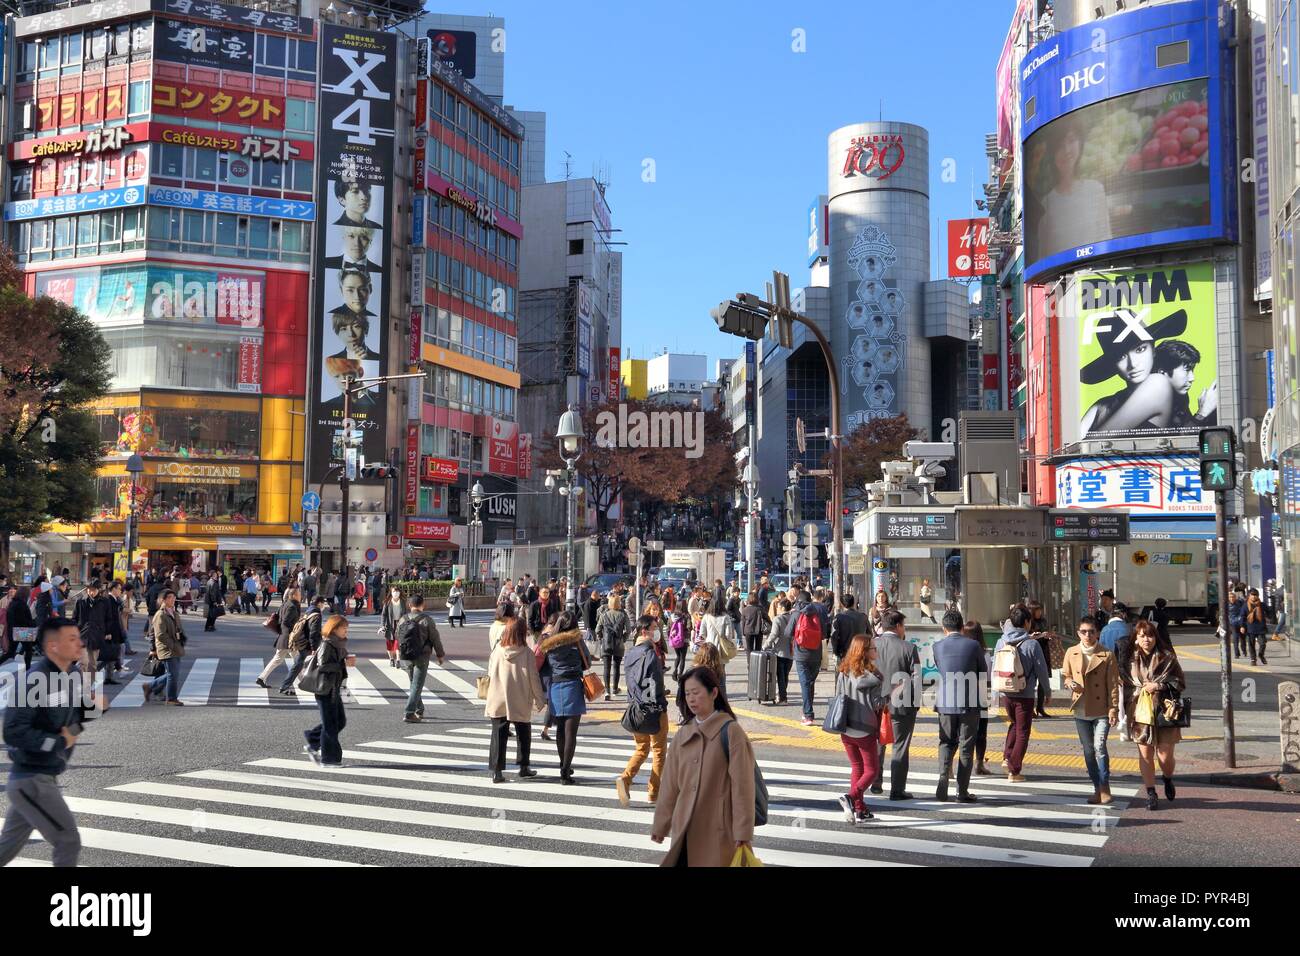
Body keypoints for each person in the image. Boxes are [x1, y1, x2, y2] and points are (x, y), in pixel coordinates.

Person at [0, 617, 90, 868]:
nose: (79, 644)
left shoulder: (67, 674)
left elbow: (72, 717)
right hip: (32, 779)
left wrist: (95, 708)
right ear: (53, 646)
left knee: (6, 848)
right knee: (68, 841)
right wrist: (58, 742)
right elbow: (13, 731)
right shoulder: (34, 680)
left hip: (38, 778)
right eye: (72, 639)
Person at [650, 666, 755, 867]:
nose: (691, 699)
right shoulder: (683, 734)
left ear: (714, 692)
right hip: (685, 829)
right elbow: (670, 785)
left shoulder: (732, 732)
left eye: (696, 692)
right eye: (687, 694)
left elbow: (743, 787)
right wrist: (661, 824)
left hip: (720, 831)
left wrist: (742, 831)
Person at [1127, 619, 1186, 811]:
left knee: (1165, 755)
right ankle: (1151, 793)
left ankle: (1167, 778)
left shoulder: (1167, 657)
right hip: (1140, 710)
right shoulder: (1129, 659)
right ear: (1136, 638)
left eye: (1150, 635)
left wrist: (1158, 685)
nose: (1146, 639)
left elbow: (1180, 683)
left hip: (1165, 711)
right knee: (1145, 754)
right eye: (1142, 636)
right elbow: (1124, 684)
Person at [1062, 616, 1119, 805]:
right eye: (1084, 631)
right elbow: (1066, 674)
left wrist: (1114, 709)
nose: (1088, 635)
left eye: (1091, 631)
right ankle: (1097, 788)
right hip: (1080, 709)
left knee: (1099, 747)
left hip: (1101, 709)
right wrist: (1070, 682)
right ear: (1078, 633)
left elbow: (1112, 685)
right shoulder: (1071, 652)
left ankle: (1105, 787)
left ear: (1098, 633)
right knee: (1087, 751)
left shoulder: (1107, 654)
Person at [931, 608, 985, 803]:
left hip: (945, 702)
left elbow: (940, 667)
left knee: (945, 741)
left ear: (944, 628)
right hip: (969, 701)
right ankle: (962, 791)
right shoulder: (974, 645)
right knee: (966, 745)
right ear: (962, 627)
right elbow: (982, 671)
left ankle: (944, 775)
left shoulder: (937, 646)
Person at [616, 616, 670, 806]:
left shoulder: (630, 653)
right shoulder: (650, 654)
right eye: (655, 628)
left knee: (641, 749)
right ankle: (653, 792)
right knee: (658, 751)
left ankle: (625, 778)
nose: (657, 632)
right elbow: (653, 685)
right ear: (645, 631)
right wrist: (661, 702)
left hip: (635, 708)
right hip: (653, 709)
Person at [994, 605, 1052, 782]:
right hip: (1025, 694)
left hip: (1006, 692)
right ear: (1026, 622)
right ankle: (1014, 770)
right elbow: (1041, 670)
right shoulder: (1031, 644)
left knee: (1013, 724)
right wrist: (1047, 691)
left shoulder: (1000, 641)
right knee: (1023, 731)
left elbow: (995, 665)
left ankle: (1007, 758)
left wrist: (997, 692)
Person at [484, 614, 544, 782]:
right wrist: (540, 699)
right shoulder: (527, 653)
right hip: (520, 697)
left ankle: (497, 771)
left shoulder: (497, 651)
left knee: (498, 734)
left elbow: (490, 672)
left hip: (498, 697)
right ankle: (524, 767)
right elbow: (534, 678)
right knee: (523, 732)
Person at [834, 633, 885, 824]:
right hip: (865, 728)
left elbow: (839, 696)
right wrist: (893, 693)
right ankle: (851, 796)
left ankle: (860, 809)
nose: (876, 651)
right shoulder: (875, 677)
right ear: (864, 652)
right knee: (872, 771)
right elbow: (877, 703)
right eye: (873, 648)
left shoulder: (843, 670)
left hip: (845, 727)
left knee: (857, 767)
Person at [873, 609, 921, 798]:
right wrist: (915, 704)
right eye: (904, 626)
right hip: (902, 705)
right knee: (900, 746)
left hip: (875, 705)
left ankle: (875, 782)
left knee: (878, 743)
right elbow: (916, 679)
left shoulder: (872, 645)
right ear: (898, 626)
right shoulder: (909, 648)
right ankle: (897, 789)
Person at [536, 610, 587, 783]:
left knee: (560, 731)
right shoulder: (576, 640)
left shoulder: (549, 643)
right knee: (571, 732)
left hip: (555, 686)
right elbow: (586, 662)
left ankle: (562, 765)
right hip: (573, 685)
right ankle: (565, 771)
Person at [304, 615, 355, 767]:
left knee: (339, 721)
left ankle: (313, 740)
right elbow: (324, 665)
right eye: (344, 628)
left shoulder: (338, 644)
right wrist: (343, 664)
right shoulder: (327, 644)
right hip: (324, 689)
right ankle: (329, 758)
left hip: (333, 688)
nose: (346, 631)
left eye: (347, 628)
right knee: (330, 724)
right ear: (334, 629)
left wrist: (345, 661)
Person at [397, 594, 446, 724]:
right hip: (422, 656)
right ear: (423, 605)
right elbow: (435, 638)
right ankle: (409, 712)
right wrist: (440, 655)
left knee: (414, 683)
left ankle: (419, 708)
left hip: (406, 655)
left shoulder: (403, 619)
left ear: (409, 605)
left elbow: (398, 637)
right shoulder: (427, 620)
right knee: (417, 685)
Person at [72, 579, 124, 687]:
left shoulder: (104, 602)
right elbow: (74, 618)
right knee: (83, 662)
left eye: (94, 590)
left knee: (93, 663)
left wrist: (107, 632)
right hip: (82, 635)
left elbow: (108, 618)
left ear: (98, 590)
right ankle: (82, 685)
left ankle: (89, 685)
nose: (91, 592)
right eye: (89, 590)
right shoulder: (80, 601)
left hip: (97, 635)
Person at [961, 621, 995, 775]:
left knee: (960, 731)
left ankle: (950, 767)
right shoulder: (985, 653)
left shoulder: (961, 651)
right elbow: (988, 676)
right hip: (980, 695)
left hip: (961, 695)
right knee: (981, 731)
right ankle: (979, 764)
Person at [144, 590, 186, 705]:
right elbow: (160, 635)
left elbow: (179, 629)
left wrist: (182, 639)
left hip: (176, 647)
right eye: (170, 597)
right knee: (172, 674)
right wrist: (172, 645)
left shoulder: (174, 612)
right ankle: (171, 699)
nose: (173, 599)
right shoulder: (160, 614)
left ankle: (150, 686)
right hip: (167, 648)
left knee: (173, 673)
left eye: (174, 597)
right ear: (163, 600)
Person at [279, 595, 327, 696]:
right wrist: (314, 648)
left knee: (300, 665)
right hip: (307, 644)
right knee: (298, 665)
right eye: (323, 603)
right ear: (319, 603)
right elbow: (313, 632)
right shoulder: (317, 615)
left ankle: (317, 684)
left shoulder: (309, 610)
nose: (324, 605)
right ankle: (285, 686)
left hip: (302, 642)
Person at [257, 588, 302, 689]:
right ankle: (304, 682)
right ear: (294, 595)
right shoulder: (292, 607)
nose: (300, 596)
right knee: (298, 660)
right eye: (299, 594)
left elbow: (279, 619)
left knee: (280, 659)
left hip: (284, 637)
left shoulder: (285, 604)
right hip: (288, 638)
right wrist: (291, 635)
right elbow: (285, 623)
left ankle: (261, 678)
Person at [596, 593, 630, 700]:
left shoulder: (604, 615)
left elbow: (598, 629)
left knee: (606, 668)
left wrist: (602, 638)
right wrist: (623, 639)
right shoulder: (623, 615)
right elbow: (628, 630)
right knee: (616, 667)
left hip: (606, 644)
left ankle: (607, 691)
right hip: (618, 644)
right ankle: (615, 688)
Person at [763, 597, 795, 705]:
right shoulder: (794, 618)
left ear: (781, 607)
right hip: (791, 651)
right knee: (785, 675)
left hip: (780, 651)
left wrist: (765, 645)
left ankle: (782, 698)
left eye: (778, 606)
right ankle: (783, 695)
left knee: (780, 676)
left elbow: (774, 634)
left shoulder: (778, 619)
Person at [830, 592, 869, 666]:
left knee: (844, 673)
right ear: (854, 603)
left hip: (844, 651)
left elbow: (834, 636)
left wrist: (835, 651)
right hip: (860, 650)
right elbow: (869, 634)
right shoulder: (863, 617)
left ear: (842, 604)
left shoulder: (838, 618)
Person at [379, 585, 406, 668]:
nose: (396, 593)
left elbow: (405, 614)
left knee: (398, 643)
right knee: (390, 644)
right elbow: (383, 615)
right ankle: (391, 659)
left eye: (397, 591)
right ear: (391, 592)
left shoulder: (402, 602)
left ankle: (398, 660)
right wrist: (382, 626)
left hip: (399, 624)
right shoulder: (387, 602)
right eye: (394, 591)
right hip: (390, 624)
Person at [1246, 588, 1269, 666]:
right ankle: (1253, 659)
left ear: (1258, 596)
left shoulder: (1262, 605)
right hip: (1250, 628)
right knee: (1251, 644)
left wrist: (1271, 617)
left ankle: (1261, 655)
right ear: (1249, 596)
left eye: (1255, 595)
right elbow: (1242, 616)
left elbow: (1269, 612)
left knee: (1263, 643)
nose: (1254, 596)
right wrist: (1242, 626)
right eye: (1252, 595)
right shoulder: (1245, 605)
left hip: (1260, 628)